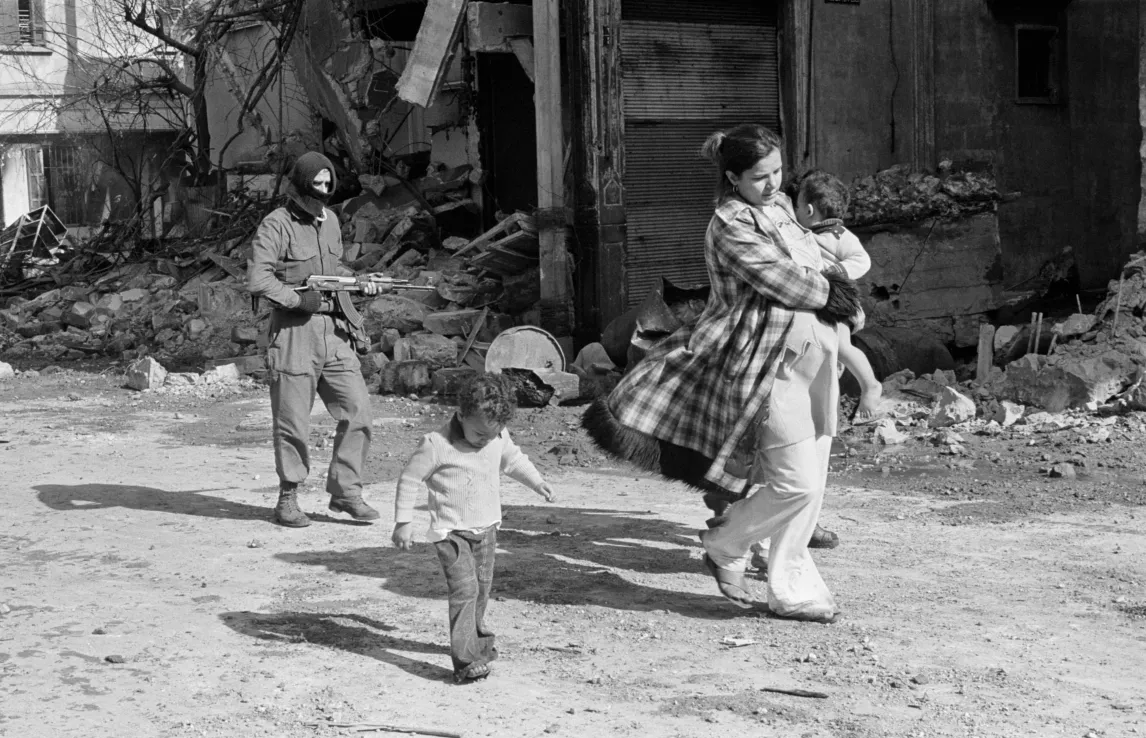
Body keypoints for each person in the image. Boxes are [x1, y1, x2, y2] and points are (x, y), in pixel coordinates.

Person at [582, 124, 859, 623]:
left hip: (815, 362)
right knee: (795, 484)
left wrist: (837, 290)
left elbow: (822, 257)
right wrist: (839, 296)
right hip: (763, 365)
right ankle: (725, 544)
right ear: (733, 178)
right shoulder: (730, 226)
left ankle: (792, 587)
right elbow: (790, 282)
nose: (774, 184)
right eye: (760, 176)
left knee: (812, 486)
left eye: (778, 171)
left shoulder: (778, 211)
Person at [247, 151, 382, 528]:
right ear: (300, 182)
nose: (322, 191)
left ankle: (346, 492)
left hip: (334, 330)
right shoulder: (277, 225)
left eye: (327, 184)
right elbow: (259, 280)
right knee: (293, 420)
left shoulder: (332, 221)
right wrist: (296, 299)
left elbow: (331, 270)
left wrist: (359, 283)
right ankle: (288, 497)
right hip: (293, 333)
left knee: (359, 410)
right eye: (316, 184)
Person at [392, 373, 555, 683]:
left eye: (492, 434)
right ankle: (466, 662)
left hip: (487, 530)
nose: (485, 440)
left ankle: (477, 644)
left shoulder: (498, 437)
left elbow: (513, 460)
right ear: (461, 414)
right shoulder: (436, 444)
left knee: (481, 590)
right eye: (480, 433)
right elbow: (410, 479)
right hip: (451, 534)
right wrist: (403, 522)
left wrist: (538, 482)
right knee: (465, 591)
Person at [791, 169, 884, 422]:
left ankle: (870, 385)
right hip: (823, 304)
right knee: (828, 355)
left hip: (840, 304)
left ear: (809, 210)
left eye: (797, 206)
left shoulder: (839, 235)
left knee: (842, 347)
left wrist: (832, 271)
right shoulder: (810, 236)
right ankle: (830, 407)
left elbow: (862, 261)